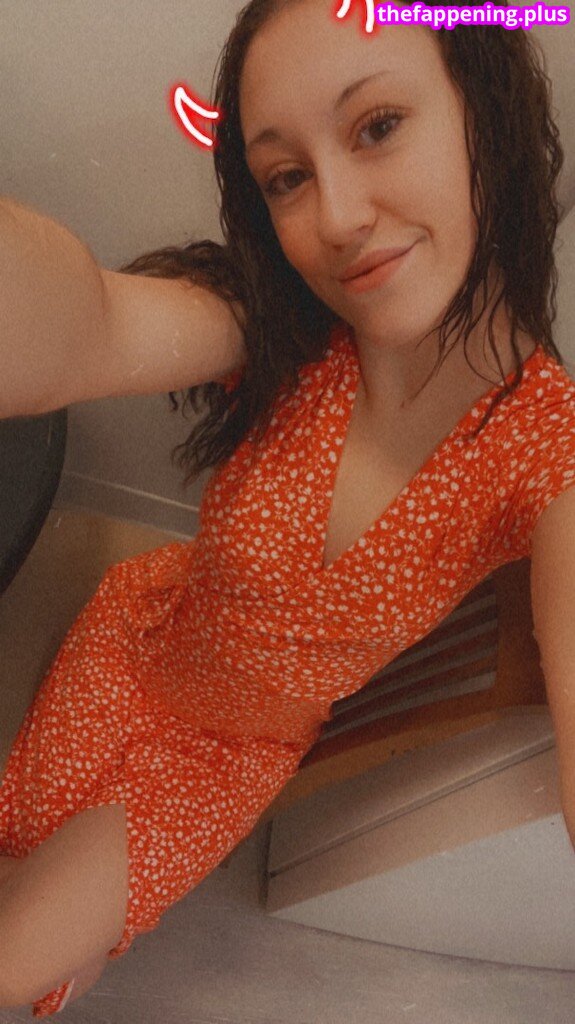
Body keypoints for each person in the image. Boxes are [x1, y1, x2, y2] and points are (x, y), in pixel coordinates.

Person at [1, 0, 574, 1015]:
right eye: (285, 177)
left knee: (17, 959)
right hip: (138, 634)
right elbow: (87, 327)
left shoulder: (548, 451)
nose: (336, 217)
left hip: (225, 755)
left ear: (482, 111)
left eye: (377, 126)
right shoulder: (280, 329)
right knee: (23, 834)